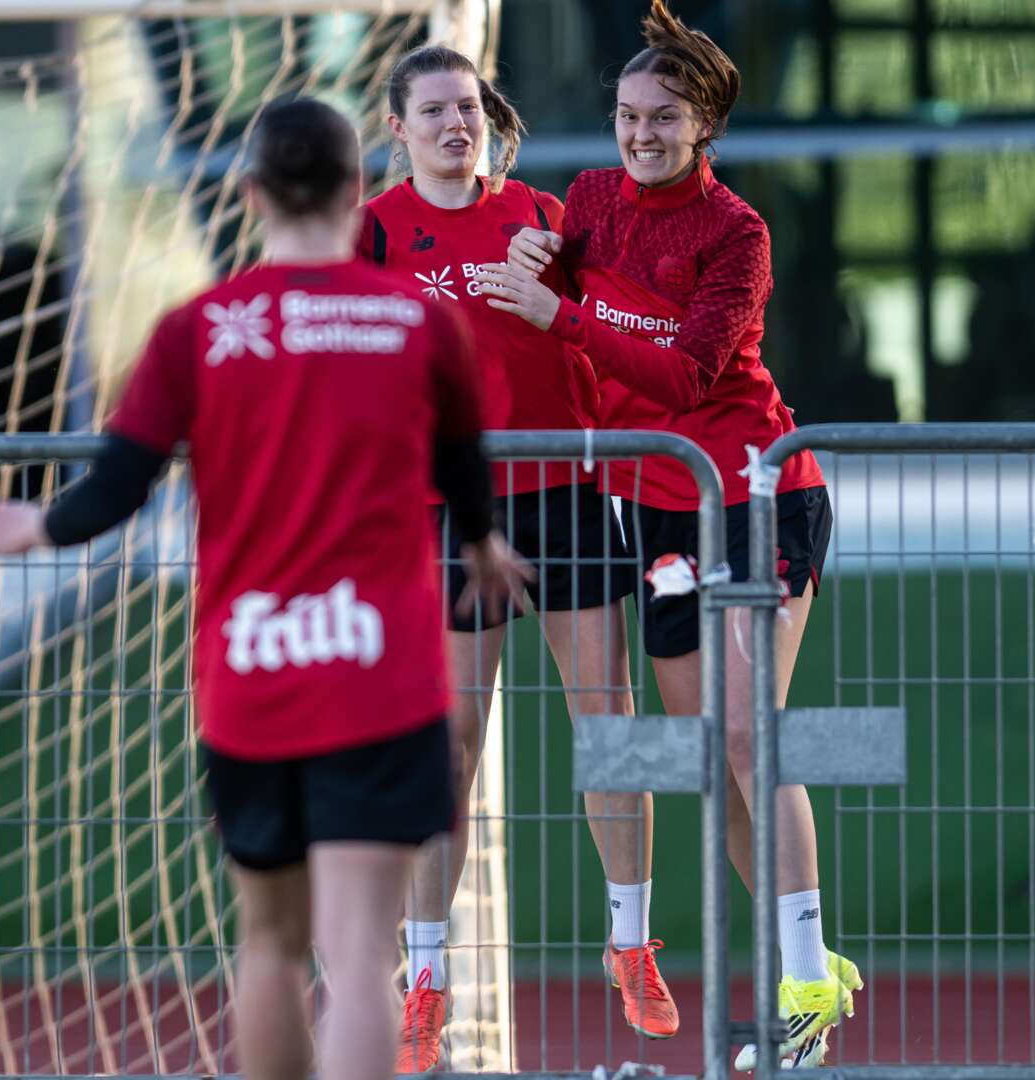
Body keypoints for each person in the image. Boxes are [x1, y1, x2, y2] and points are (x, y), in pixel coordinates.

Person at [0, 98, 530, 1080]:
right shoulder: (419, 321)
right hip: (380, 675)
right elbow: (466, 468)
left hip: (254, 679)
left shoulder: (197, 331)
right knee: (361, 956)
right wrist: (480, 544)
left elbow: (117, 488)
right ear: (356, 193)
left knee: (269, 945)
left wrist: (29, 528)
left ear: (251, 194)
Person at [479, 1, 859, 1068]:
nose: (641, 134)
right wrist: (535, 262)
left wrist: (562, 314)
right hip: (655, 508)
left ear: (706, 130)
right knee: (705, 756)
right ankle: (799, 969)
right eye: (627, 115)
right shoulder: (593, 198)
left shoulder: (738, 232)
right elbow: (554, 286)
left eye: (664, 119)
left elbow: (689, 372)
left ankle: (802, 978)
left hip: (753, 493)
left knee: (751, 734)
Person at [357, 45, 660, 1065]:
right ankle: (428, 972)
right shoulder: (376, 231)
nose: (458, 122)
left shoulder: (544, 216)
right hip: (450, 512)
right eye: (435, 109)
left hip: (568, 494)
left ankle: (630, 942)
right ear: (397, 128)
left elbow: (620, 322)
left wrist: (569, 286)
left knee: (613, 727)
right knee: (448, 746)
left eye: (470, 107)